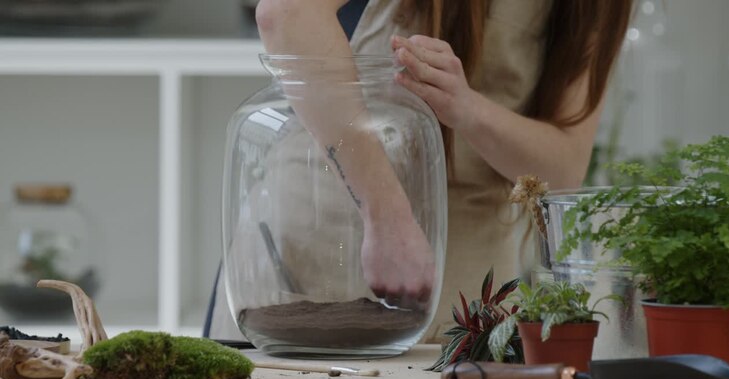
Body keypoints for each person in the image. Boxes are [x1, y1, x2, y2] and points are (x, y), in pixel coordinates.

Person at [205, 0, 632, 342]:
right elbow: (287, 14)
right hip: (307, 262)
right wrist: (385, 213)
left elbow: (562, 171)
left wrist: (467, 110)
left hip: (465, 295)